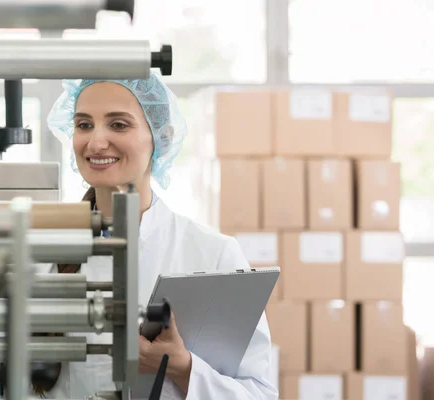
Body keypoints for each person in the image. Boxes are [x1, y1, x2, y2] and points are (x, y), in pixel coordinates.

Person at [46, 72, 278, 400]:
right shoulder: (42, 251)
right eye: (84, 124)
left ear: (162, 138)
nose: (96, 142)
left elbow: (259, 393)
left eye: (118, 125)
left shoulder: (214, 255)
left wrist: (182, 368)